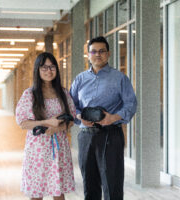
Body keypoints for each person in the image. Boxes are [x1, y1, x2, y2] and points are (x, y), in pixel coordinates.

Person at [70, 36, 137, 200]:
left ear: (108, 54)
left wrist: (113, 117)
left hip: (110, 135)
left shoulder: (119, 78)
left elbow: (131, 104)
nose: (97, 55)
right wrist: (79, 116)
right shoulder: (80, 79)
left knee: (112, 184)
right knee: (89, 184)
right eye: (93, 51)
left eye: (102, 51)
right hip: (86, 136)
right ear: (88, 55)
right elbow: (71, 105)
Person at [15, 52, 76, 200]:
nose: (49, 71)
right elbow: (22, 122)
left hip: (59, 148)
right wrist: (47, 122)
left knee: (58, 192)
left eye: (52, 67)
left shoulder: (63, 93)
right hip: (38, 150)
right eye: (44, 68)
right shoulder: (30, 94)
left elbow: (72, 118)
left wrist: (59, 128)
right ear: (37, 70)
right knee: (37, 192)